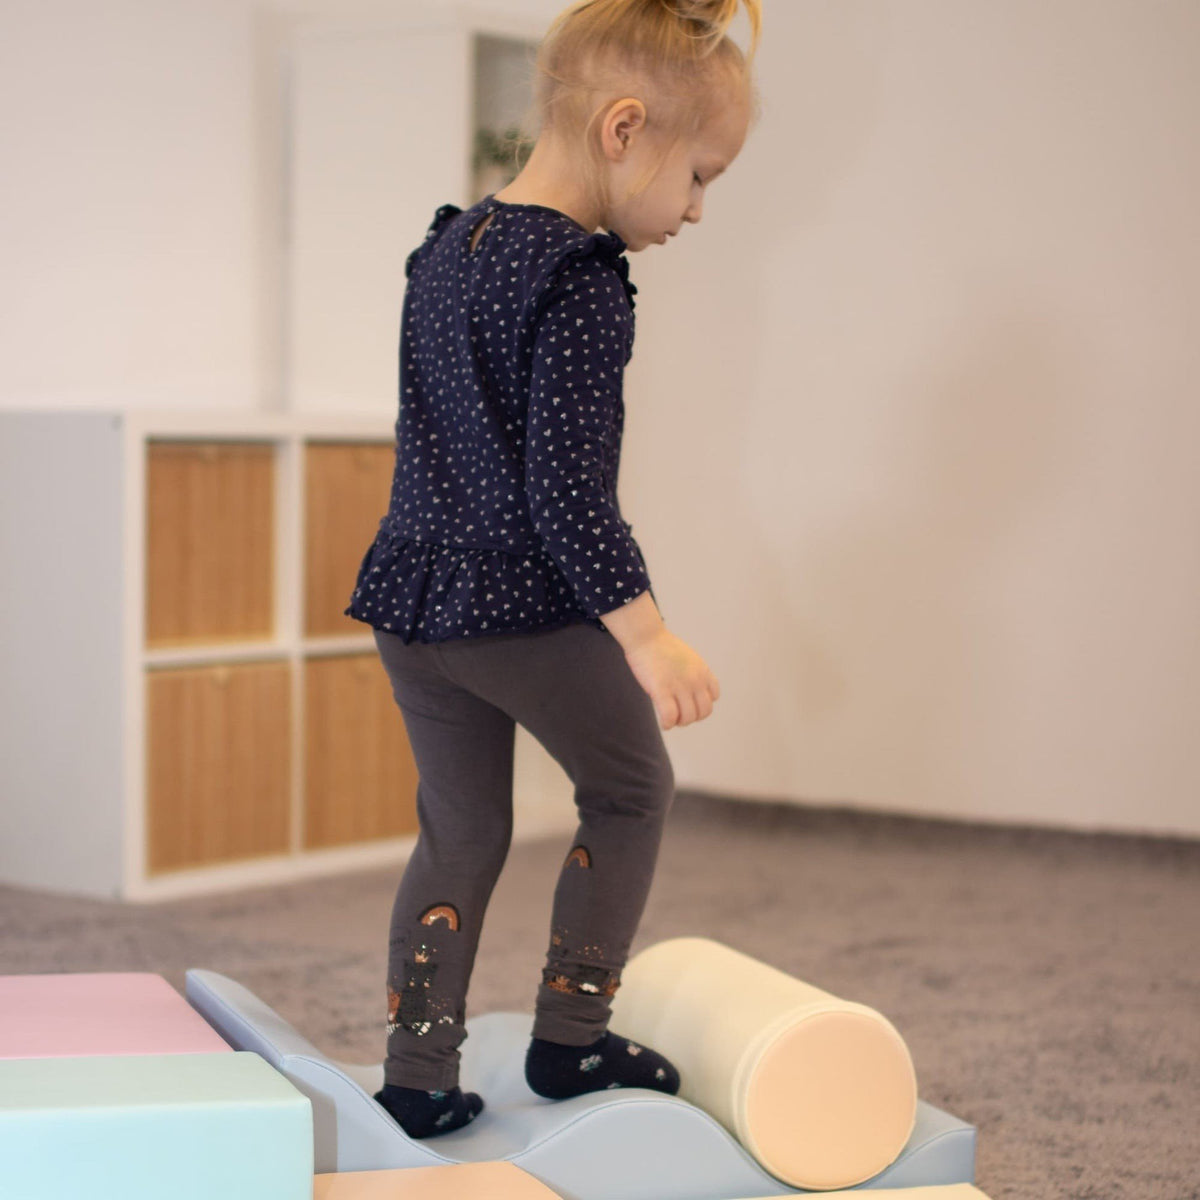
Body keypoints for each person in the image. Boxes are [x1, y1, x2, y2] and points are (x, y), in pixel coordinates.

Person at [343, 0, 762, 1139]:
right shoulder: (578, 276)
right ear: (626, 129)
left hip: (410, 600)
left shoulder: (446, 247)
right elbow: (565, 496)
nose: (697, 209)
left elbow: (434, 437)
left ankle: (417, 1075)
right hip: (513, 604)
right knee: (631, 791)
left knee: (460, 829)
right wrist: (646, 634)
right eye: (699, 176)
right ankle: (570, 1045)